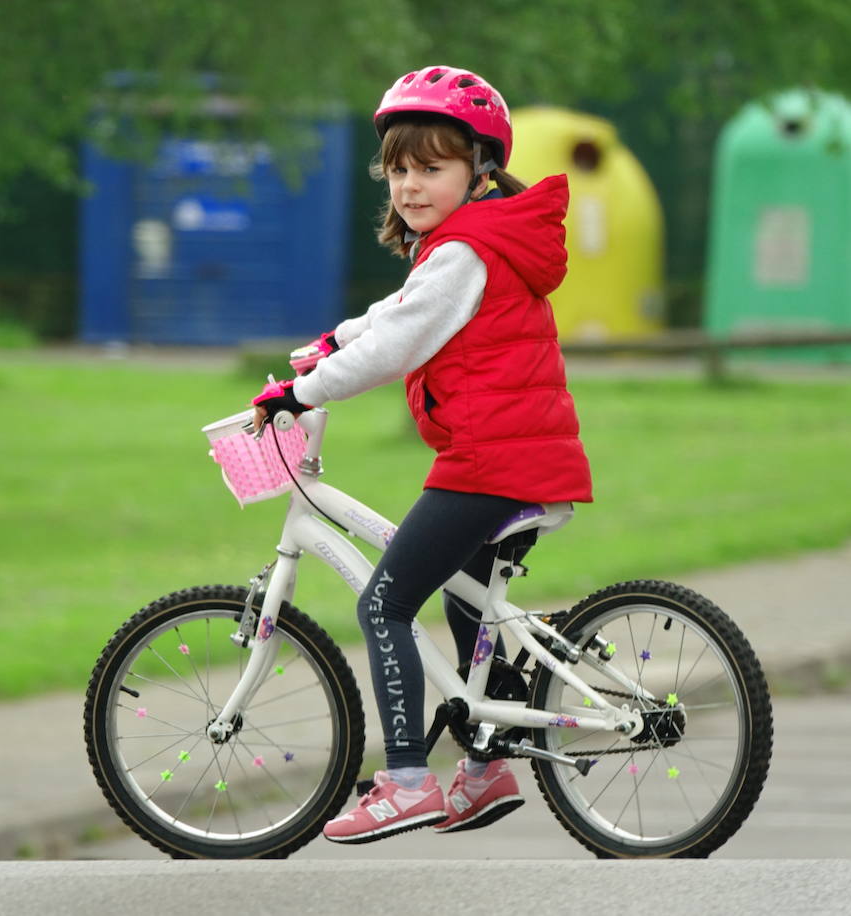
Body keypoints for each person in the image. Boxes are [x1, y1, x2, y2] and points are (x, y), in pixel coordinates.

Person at [250, 64, 592, 844]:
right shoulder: (471, 244)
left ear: (480, 170)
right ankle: (485, 769)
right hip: (525, 461)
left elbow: (401, 341)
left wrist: (304, 393)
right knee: (467, 600)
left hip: (491, 464)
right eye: (399, 169)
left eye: (431, 167)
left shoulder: (465, 251)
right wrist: (339, 337)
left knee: (385, 603)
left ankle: (407, 780)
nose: (410, 184)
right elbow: (396, 313)